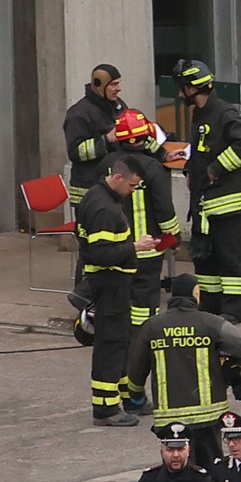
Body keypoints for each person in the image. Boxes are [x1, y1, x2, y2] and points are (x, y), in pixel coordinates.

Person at [128, 273, 241, 467]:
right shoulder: (212, 323)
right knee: (211, 470)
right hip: (209, 416)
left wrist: (136, 393)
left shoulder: (152, 326)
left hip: (170, 419)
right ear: (195, 294)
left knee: (178, 470)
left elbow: (135, 369)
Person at [78, 153, 159, 426]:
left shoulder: (99, 197)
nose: (133, 191)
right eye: (132, 186)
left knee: (122, 342)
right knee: (110, 345)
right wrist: (136, 247)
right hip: (109, 283)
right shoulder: (105, 209)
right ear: (118, 177)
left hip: (113, 285)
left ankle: (127, 397)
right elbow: (101, 253)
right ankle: (105, 408)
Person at [175, 58, 241, 323]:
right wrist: (191, 169)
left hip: (226, 204)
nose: (179, 94)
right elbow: (201, 149)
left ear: (193, 87)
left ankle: (233, 310)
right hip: (204, 204)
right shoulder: (201, 114)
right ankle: (210, 306)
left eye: (182, 88)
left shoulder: (224, 113)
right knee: (205, 259)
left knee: (230, 258)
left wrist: (215, 170)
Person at [113, 110, 181, 368]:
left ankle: (120, 337)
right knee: (145, 298)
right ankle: (143, 341)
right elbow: (163, 207)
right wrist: (172, 236)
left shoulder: (109, 164)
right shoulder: (152, 168)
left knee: (121, 295)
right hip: (148, 247)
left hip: (117, 246)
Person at [64, 64, 126, 208]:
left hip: (112, 189)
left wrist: (163, 154)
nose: (119, 88)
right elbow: (75, 152)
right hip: (88, 192)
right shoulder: (78, 113)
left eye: (119, 83)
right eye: (113, 84)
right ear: (99, 85)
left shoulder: (117, 105)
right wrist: (106, 140)